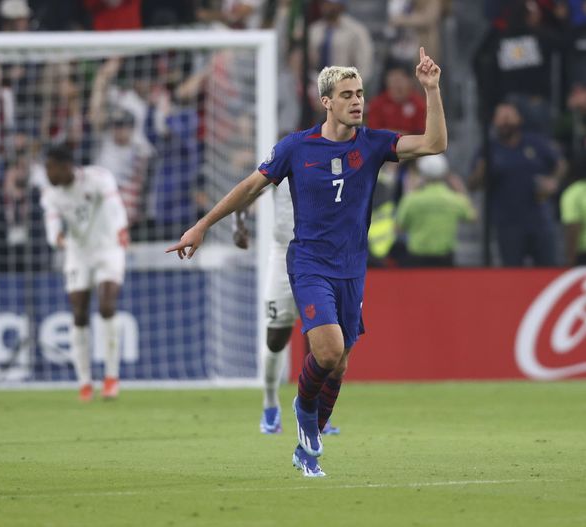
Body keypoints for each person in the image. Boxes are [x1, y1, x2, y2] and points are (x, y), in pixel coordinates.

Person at [167, 48, 446, 477]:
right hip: (308, 262)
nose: (357, 101)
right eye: (347, 94)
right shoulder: (296, 148)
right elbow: (248, 187)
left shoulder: (373, 144)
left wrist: (431, 89)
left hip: (352, 267)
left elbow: (434, 143)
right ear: (327, 102)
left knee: (341, 361)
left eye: (359, 93)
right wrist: (202, 226)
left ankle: (306, 446)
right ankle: (301, 408)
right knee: (328, 349)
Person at [234, 184, 341, 437]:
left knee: (322, 338)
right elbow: (249, 190)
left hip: (321, 254)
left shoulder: (333, 152)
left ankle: (316, 414)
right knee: (277, 335)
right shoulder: (285, 153)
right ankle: (270, 403)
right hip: (284, 254)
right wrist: (238, 223)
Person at [40, 145, 130, 402]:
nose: (47, 173)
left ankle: (111, 377)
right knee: (79, 312)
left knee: (106, 304)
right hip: (78, 253)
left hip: (108, 248)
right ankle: (84, 382)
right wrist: (56, 237)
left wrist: (121, 228)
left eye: (50, 167)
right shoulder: (50, 194)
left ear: (65, 166)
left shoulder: (98, 178)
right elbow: (52, 222)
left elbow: (114, 205)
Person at [468, 102, 566, 266]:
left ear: (519, 120)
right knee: (512, 272)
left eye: (509, 117)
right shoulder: (488, 148)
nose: (505, 122)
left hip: (540, 220)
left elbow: (561, 164)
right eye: (501, 118)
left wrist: (553, 180)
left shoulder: (535, 143)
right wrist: (480, 171)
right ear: (494, 121)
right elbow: (472, 185)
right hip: (508, 224)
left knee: (547, 270)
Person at [395, 154, 476, 267]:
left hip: (417, 258)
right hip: (445, 258)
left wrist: (410, 192)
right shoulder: (453, 199)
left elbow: (398, 227)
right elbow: (472, 216)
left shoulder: (412, 200)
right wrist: (460, 189)